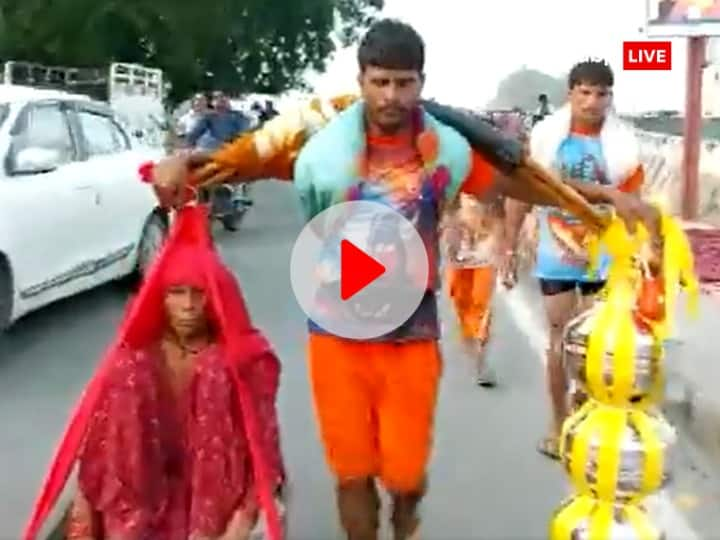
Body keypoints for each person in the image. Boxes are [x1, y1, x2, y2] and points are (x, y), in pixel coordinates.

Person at [145, 21, 661, 539]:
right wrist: (180, 163)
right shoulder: (320, 147)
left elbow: (520, 180)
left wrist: (605, 197)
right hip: (335, 336)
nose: (391, 95)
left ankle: (405, 523)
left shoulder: (447, 151)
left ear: (420, 82)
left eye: (403, 82)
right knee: (351, 475)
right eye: (380, 81)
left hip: (411, 338)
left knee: (406, 479)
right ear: (362, 79)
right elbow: (237, 161)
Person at [23, 205, 286, 540]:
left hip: (217, 504)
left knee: (217, 369)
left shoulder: (243, 360)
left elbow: (263, 447)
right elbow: (102, 446)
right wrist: (85, 509)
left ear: (217, 298)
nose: (188, 305)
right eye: (177, 293)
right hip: (140, 500)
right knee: (131, 370)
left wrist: (242, 519)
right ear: (160, 299)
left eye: (199, 293)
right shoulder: (134, 361)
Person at [500, 59, 652, 461]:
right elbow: (521, 193)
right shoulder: (548, 139)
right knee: (560, 341)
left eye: (601, 94)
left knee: (598, 344)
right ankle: (557, 424)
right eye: (584, 92)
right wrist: (509, 248)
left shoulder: (623, 147)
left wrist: (647, 251)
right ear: (571, 94)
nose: (592, 101)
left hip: (604, 256)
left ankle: (586, 421)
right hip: (556, 252)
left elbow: (634, 202)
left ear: (610, 97)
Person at [442, 191, 504, 386]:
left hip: (484, 257)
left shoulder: (491, 185)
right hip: (458, 259)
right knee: (462, 308)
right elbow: (443, 215)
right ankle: (473, 350)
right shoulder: (453, 180)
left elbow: (501, 217)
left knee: (481, 305)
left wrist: (506, 252)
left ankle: (481, 361)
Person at [187, 90, 252, 150]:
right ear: (212, 102)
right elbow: (193, 135)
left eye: (223, 96)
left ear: (228, 99)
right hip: (216, 150)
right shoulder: (209, 117)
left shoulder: (238, 115)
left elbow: (244, 135)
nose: (221, 99)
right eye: (216, 97)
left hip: (236, 149)